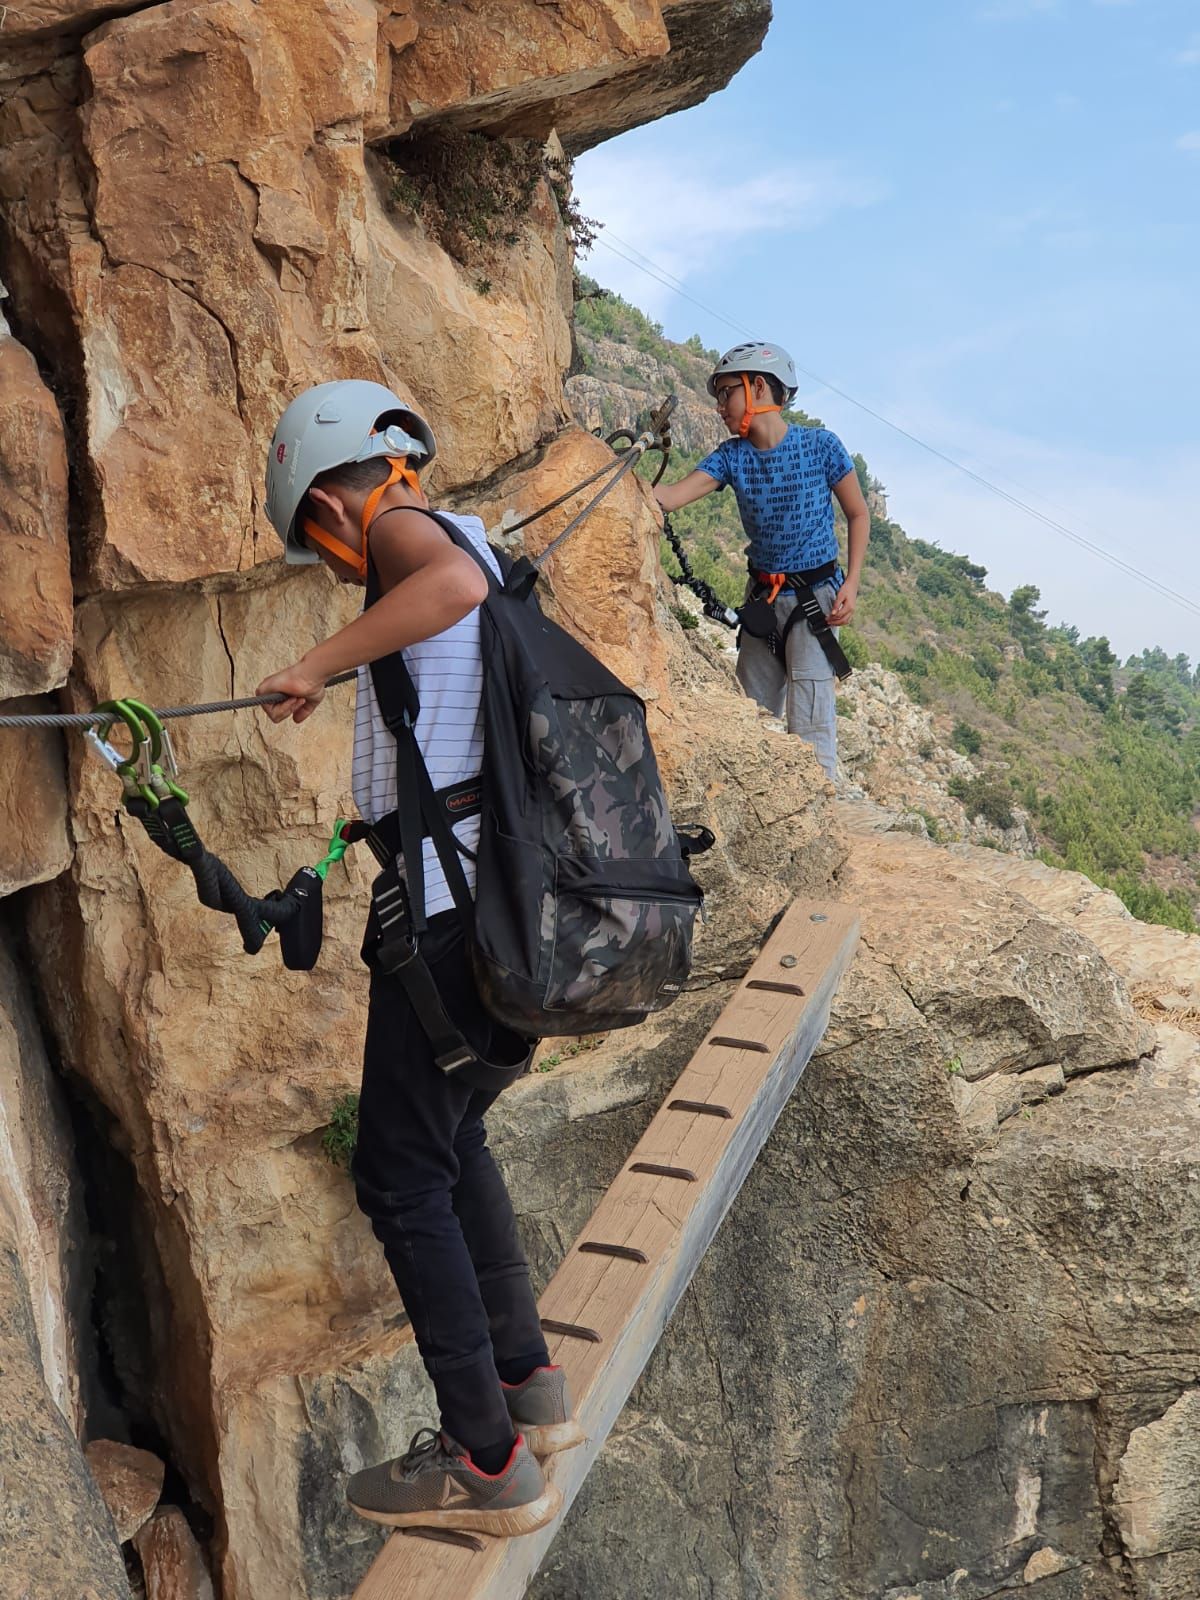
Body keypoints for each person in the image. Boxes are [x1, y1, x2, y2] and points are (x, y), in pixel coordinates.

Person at [255, 379, 582, 1536]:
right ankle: (527, 1384)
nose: (331, 561)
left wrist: (315, 661)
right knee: (455, 1138)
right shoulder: (470, 540)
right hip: (507, 907)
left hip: (449, 914)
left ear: (330, 499)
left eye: (316, 540)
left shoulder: (407, 534)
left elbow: (443, 586)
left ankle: (486, 1461)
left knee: (399, 1175)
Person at [654, 342, 869, 781]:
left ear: (757, 387)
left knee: (811, 728)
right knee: (746, 719)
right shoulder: (731, 457)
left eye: (726, 393)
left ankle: (819, 812)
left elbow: (858, 513)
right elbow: (671, 497)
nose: (719, 407)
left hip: (816, 602)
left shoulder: (821, 446)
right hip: (763, 601)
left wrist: (852, 582)